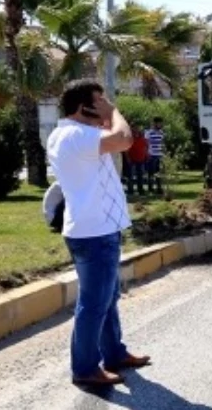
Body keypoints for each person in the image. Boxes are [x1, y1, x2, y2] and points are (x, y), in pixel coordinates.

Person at [46, 79, 151, 386]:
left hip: (98, 229)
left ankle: (114, 353)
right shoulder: (75, 135)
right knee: (94, 302)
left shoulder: (77, 133)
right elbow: (124, 139)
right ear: (84, 107)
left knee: (107, 297)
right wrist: (115, 111)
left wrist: (105, 115)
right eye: (100, 101)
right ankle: (85, 368)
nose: (106, 106)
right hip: (93, 233)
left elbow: (118, 138)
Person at [144, 117, 165, 194]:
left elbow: (162, 143)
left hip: (159, 154)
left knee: (158, 172)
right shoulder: (148, 132)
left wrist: (163, 153)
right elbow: (146, 144)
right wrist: (147, 154)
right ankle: (151, 188)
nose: (161, 125)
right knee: (151, 173)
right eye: (159, 123)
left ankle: (159, 188)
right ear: (155, 123)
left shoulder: (161, 133)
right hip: (151, 155)